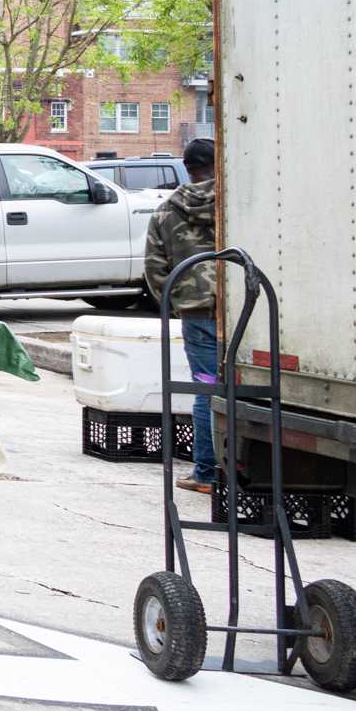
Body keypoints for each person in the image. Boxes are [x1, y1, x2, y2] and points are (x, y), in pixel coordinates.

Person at [146, 139, 220, 494]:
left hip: (198, 315)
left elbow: (156, 272)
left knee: (207, 388)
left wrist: (178, 304)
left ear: (187, 167)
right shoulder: (239, 200)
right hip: (246, 311)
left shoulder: (164, 212)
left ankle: (206, 473)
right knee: (249, 389)